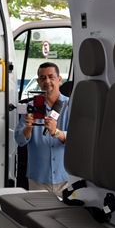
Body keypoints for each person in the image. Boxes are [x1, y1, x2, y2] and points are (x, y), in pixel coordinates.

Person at [14, 62, 69, 196]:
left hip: (67, 178)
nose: (47, 81)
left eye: (51, 77)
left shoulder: (72, 105)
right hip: (38, 178)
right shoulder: (31, 107)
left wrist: (56, 132)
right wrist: (28, 128)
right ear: (38, 82)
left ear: (59, 79)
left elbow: (79, 139)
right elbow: (19, 140)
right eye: (43, 78)